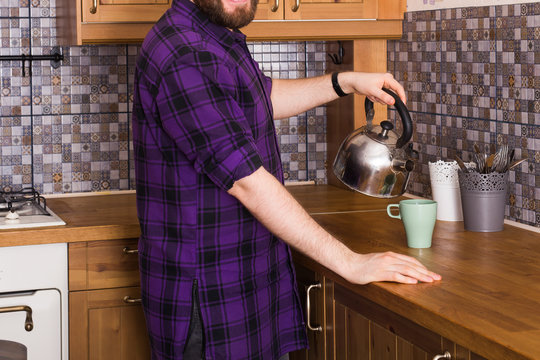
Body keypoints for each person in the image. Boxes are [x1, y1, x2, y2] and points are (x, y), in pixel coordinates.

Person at [131, 0, 442, 358]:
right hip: (211, 295)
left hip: (245, 278)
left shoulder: (213, 35)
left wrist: (346, 82)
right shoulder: (186, 54)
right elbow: (247, 181)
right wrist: (351, 263)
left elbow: (259, 99)